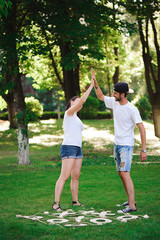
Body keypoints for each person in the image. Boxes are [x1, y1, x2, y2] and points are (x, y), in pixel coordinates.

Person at [91, 68, 147, 213]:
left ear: (123, 94)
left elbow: (141, 128)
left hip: (126, 146)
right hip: (117, 144)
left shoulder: (132, 109)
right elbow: (100, 96)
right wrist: (95, 83)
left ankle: (132, 206)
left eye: (115, 93)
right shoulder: (115, 102)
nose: (113, 95)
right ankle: (129, 200)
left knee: (125, 172)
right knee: (120, 173)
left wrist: (143, 149)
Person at [52, 73, 94, 211]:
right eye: (76, 101)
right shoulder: (69, 114)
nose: (79, 103)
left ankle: (75, 201)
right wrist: (91, 86)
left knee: (75, 176)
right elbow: (82, 101)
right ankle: (56, 203)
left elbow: (81, 103)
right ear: (71, 103)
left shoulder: (76, 118)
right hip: (68, 147)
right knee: (64, 176)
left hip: (77, 148)